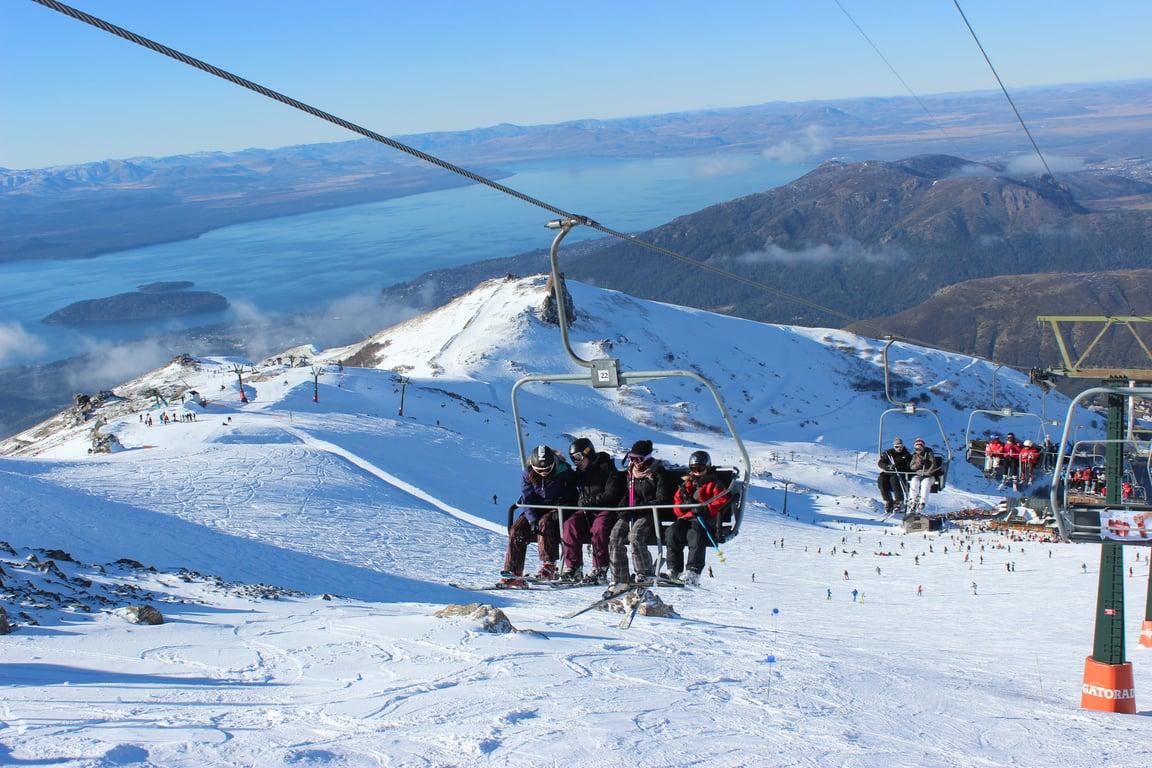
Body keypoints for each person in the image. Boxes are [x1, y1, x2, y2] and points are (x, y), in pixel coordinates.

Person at [501, 445, 577, 586]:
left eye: (547, 469)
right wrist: (531, 519)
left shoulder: (563, 470)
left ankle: (549, 565)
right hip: (537, 508)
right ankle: (513, 572)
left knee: (545, 522)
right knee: (516, 530)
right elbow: (527, 497)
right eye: (539, 470)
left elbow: (574, 490)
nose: (543, 473)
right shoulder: (527, 473)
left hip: (557, 508)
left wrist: (563, 500)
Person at [608, 440, 672, 592]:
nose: (635, 462)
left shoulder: (658, 473)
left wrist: (642, 506)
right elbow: (625, 494)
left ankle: (644, 573)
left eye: (639, 459)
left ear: (647, 458)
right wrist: (622, 508)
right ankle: (619, 578)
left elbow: (662, 498)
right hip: (632, 512)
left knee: (635, 536)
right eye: (631, 458)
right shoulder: (630, 473)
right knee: (615, 536)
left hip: (648, 513)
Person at [560, 437, 623, 583]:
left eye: (578, 457)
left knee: (599, 529)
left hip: (604, 510)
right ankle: (574, 568)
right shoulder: (580, 474)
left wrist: (590, 502)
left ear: (588, 453)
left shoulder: (607, 469)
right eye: (573, 459)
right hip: (586, 511)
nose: (577, 462)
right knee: (570, 524)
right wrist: (560, 464)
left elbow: (611, 494)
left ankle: (600, 568)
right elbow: (566, 480)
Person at [665, 450, 729, 585]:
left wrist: (705, 508)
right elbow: (677, 505)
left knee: (695, 533)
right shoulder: (687, 484)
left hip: (704, 519)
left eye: (700, 468)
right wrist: (683, 507)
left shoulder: (714, 483)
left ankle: (693, 571)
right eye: (694, 469)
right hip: (687, 518)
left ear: (708, 467)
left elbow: (721, 500)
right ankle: (673, 569)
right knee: (672, 531)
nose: (697, 472)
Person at [877, 438, 912, 514]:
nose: (899, 448)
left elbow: (910, 467)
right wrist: (888, 466)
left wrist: (900, 467)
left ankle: (899, 501)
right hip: (888, 472)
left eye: (900, 446)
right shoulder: (889, 453)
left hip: (899, 473)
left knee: (894, 479)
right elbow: (880, 463)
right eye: (896, 447)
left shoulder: (906, 455)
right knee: (881, 480)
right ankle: (888, 500)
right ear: (894, 446)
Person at [907, 437, 942, 514]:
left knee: (925, 483)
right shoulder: (915, 456)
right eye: (916, 449)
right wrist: (918, 464)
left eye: (920, 448)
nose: (918, 451)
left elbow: (934, 465)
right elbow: (911, 467)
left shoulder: (929, 453)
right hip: (919, 475)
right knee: (914, 481)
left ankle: (922, 502)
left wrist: (928, 471)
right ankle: (913, 500)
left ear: (923, 447)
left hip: (929, 476)